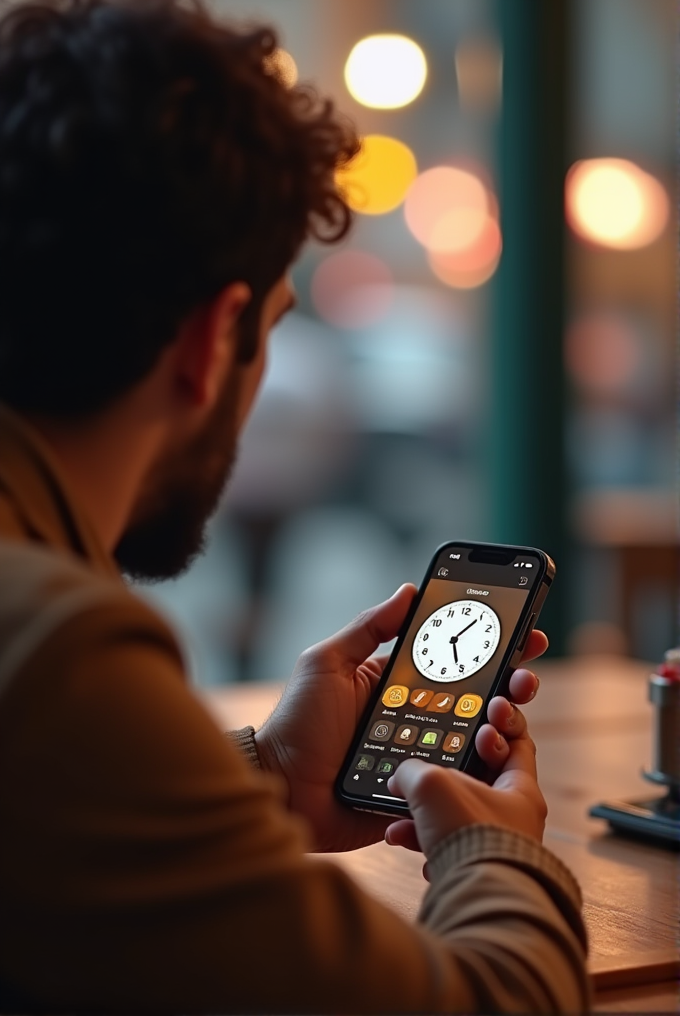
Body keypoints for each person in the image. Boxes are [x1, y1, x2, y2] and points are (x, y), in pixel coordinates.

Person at [0, 1, 589, 1012]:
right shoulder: (54, 651)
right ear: (211, 337)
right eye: (269, 327)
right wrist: (493, 850)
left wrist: (268, 771)